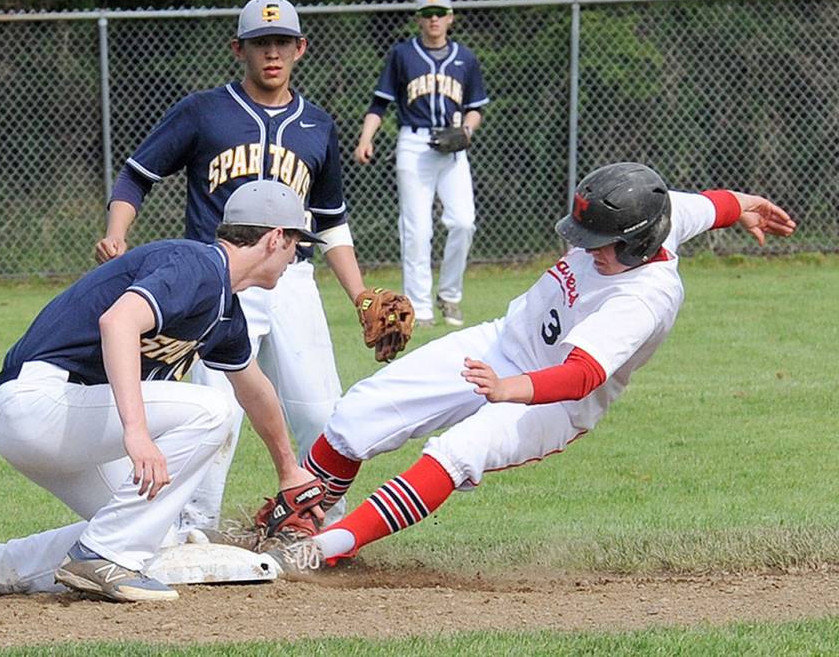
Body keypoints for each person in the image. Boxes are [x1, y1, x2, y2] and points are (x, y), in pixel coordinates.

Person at [256, 163, 797, 575]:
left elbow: (582, 375)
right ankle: (298, 516)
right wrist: (744, 206)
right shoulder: (654, 213)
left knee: (456, 452)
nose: (586, 250)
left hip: (556, 399)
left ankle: (321, 551)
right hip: (502, 343)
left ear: (640, 243)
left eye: (600, 244)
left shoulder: (645, 296)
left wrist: (508, 389)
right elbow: (711, 205)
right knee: (360, 411)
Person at [0, 181, 326, 602]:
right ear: (275, 238)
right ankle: (101, 556)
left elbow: (256, 390)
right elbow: (118, 322)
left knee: (153, 535)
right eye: (295, 243)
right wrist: (136, 432)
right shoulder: (196, 265)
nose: (295, 256)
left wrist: (288, 469)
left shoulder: (226, 309)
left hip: (66, 420)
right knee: (212, 409)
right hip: (42, 400)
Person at [94, 0, 377, 534]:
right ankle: (193, 529)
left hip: (292, 276)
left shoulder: (317, 125)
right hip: (217, 279)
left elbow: (331, 220)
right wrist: (116, 231)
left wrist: (360, 295)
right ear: (238, 49)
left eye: (282, 43)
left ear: (300, 48)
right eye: (259, 43)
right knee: (215, 412)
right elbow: (137, 174)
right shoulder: (204, 112)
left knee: (319, 409)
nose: (272, 53)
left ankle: (317, 525)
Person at [354, 0, 489, 327]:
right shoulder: (403, 55)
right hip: (414, 144)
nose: (434, 19)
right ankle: (419, 306)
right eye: (427, 14)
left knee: (463, 222)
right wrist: (366, 138)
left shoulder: (465, 58)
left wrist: (466, 131)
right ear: (419, 19)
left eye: (440, 13)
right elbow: (380, 103)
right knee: (417, 229)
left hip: (453, 146)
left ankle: (450, 295)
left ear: (450, 17)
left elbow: (475, 109)